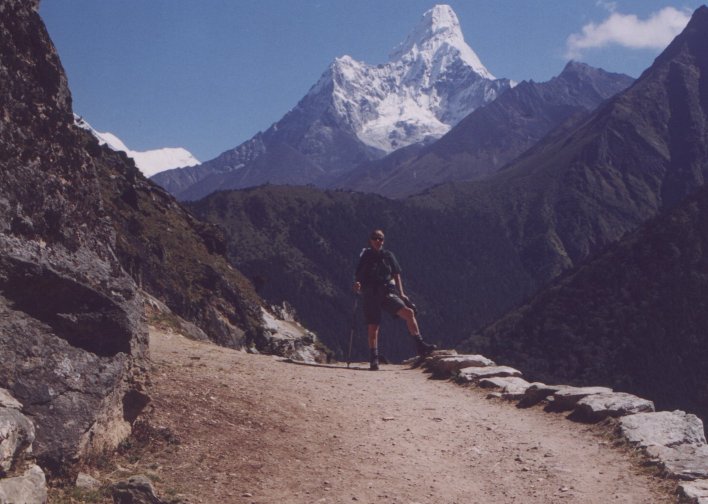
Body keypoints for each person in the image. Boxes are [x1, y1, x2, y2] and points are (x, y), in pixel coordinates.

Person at [353, 229, 436, 370]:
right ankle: (374, 359)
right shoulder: (366, 256)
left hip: (386, 292)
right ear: (370, 240)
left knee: (409, 313)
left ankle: (420, 346)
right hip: (371, 293)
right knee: (374, 326)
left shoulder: (388, 255)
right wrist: (358, 284)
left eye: (380, 238)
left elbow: (396, 274)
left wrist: (402, 294)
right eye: (375, 238)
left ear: (383, 241)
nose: (378, 241)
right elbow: (359, 275)